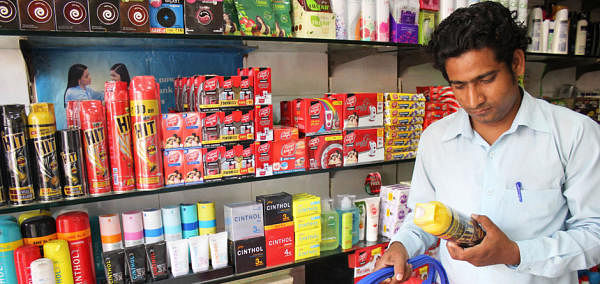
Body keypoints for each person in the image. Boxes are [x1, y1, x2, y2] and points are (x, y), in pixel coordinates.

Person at [374, 2, 600, 284]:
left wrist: (516, 253)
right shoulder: (436, 138)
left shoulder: (574, 134)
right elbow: (423, 217)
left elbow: (594, 234)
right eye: (459, 85)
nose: (473, 100)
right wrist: (401, 246)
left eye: (486, 79)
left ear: (517, 62)